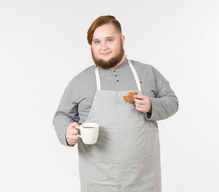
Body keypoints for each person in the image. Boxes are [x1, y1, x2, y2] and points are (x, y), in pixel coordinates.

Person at [53, 15, 179, 192]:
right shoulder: (80, 82)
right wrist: (66, 132)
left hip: (144, 178)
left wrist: (152, 106)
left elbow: (172, 101)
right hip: (98, 181)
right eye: (97, 42)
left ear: (122, 40)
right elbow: (62, 115)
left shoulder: (147, 73)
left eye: (109, 40)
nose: (103, 47)